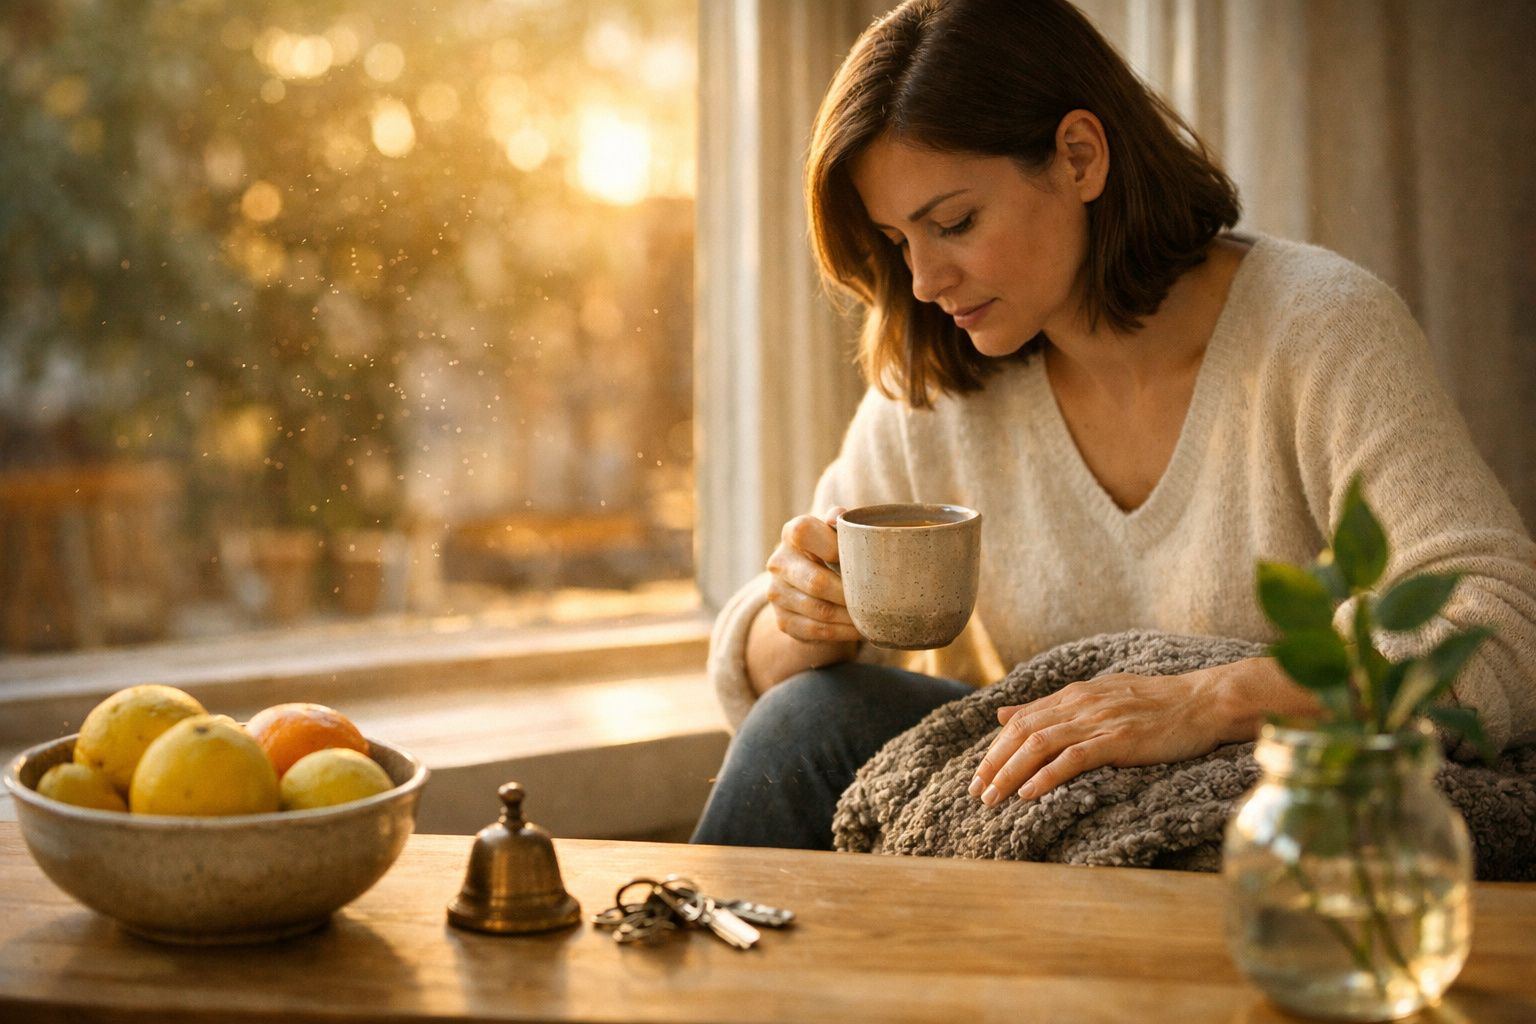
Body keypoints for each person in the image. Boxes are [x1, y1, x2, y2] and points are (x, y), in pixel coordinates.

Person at [690, 0, 1536, 850]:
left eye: (954, 224)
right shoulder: (940, 381)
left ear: (1079, 157)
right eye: (897, 240)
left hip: (1272, 805)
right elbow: (760, 683)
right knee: (805, 717)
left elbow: (1499, 620)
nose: (923, 281)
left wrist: (1206, 700)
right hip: (1048, 818)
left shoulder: (1318, 327)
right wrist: (805, 617)